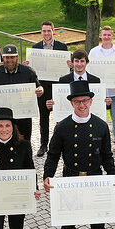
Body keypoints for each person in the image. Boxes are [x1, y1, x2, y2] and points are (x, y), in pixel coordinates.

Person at [44, 80, 115, 229]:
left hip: (94, 178)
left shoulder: (101, 126)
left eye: (85, 100)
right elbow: (53, 155)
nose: (82, 105)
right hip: (71, 177)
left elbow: (106, 156)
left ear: (91, 101)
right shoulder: (63, 126)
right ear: (71, 103)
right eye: (77, 101)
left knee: (98, 221)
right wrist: (47, 176)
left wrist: (112, 176)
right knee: (68, 222)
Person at [0, 44, 44, 142]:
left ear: (17, 57)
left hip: (23, 118)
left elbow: (38, 85)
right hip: (3, 119)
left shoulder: (28, 71)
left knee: (25, 144)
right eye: (6, 57)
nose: (9, 60)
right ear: (2, 57)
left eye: (12, 57)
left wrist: (40, 89)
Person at [31, 20, 69, 157]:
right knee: (43, 118)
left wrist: (69, 65)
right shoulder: (35, 48)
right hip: (42, 87)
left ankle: (61, 144)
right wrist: (27, 65)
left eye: (49, 31)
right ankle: (43, 145)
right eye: (44, 31)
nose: (46, 33)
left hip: (58, 87)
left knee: (60, 116)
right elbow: (32, 71)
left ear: (53, 31)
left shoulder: (62, 47)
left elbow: (67, 69)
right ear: (41, 32)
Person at [46, 50, 111, 109]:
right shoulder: (63, 80)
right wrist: (50, 105)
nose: (79, 64)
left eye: (82, 61)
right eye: (76, 61)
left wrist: (108, 104)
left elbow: (99, 104)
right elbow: (58, 103)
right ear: (72, 63)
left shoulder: (95, 80)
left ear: (87, 63)